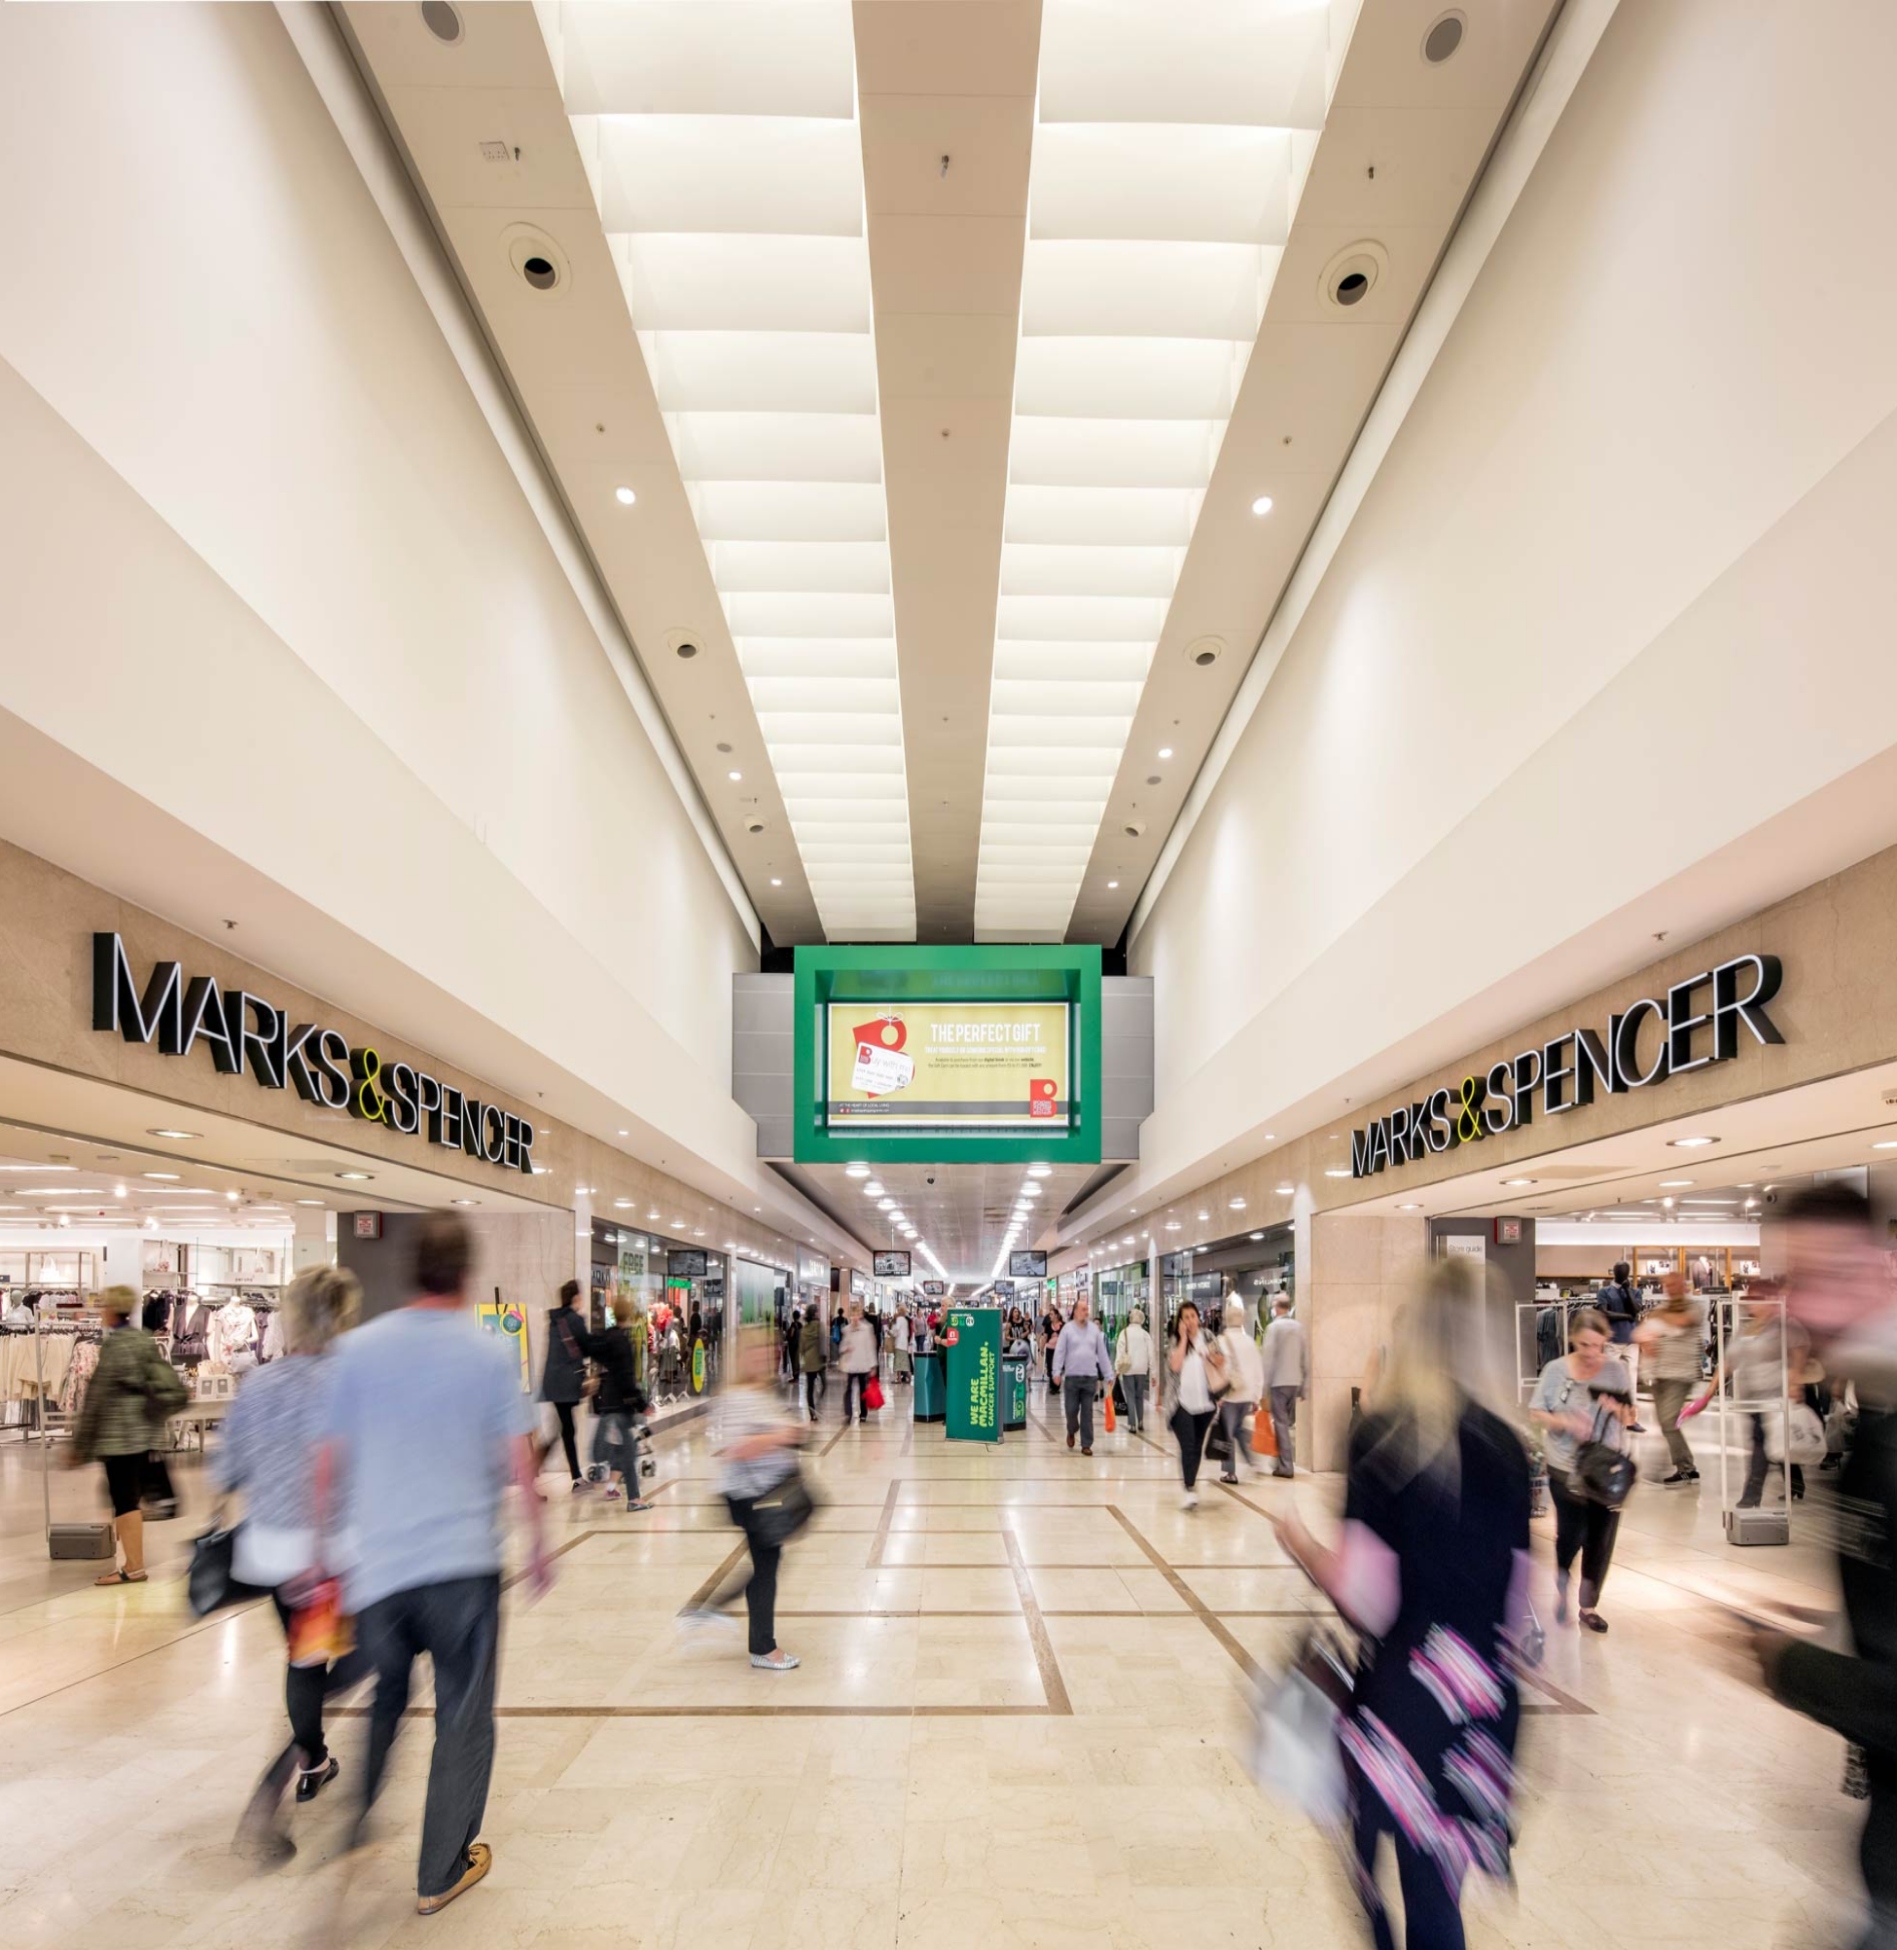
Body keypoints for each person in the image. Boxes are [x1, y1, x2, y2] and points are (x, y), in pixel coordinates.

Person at [1274, 1258, 1531, 1950]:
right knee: (1435, 1879)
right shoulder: (1510, 1447)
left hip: (1407, 1697)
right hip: (1481, 1699)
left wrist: (1300, 1544)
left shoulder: (1381, 1436)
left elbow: (1368, 1600)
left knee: (1383, 1871)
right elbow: (1519, 1602)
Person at [318, 1211, 551, 1918]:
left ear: (409, 1268)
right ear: (467, 1274)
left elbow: (326, 1463)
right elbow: (520, 1463)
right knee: (463, 1717)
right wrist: (538, 1544)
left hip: (380, 1569)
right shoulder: (485, 1352)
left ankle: (358, 1817)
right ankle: (439, 1869)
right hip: (462, 1570)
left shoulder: (356, 1351)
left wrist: (323, 1557)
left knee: (387, 1694)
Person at [1731, 1182, 1897, 1950]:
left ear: (1880, 1269)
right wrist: (1838, 1629)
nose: (1807, 1308)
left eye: (1829, 1275)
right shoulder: (1874, 1427)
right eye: (1796, 1280)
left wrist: (1791, 1665)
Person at [217, 1267, 373, 1835]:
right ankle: (304, 1756)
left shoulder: (258, 1384)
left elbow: (227, 1468)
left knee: (303, 1655)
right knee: (374, 1645)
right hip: (338, 1547)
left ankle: (312, 1757)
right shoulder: (353, 1380)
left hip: (275, 1549)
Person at [684, 1327, 805, 1669]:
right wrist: (784, 1434)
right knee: (766, 1568)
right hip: (752, 1496)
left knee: (767, 1564)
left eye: (769, 1349)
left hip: (763, 1492)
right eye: (759, 1350)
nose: (767, 1355)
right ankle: (760, 1645)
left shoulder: (761, 1390)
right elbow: (736, 1448)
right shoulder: (738, 1396)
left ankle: (715, 1613)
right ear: (744, 1356)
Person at [68, 1284, 187, 1586]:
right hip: (145, 1433)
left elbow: (97, 1398)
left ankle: (133, 1566)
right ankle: (131, 1561)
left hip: (119, 1437)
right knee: (126, 1497)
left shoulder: (116, 1345)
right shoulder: (142, 1339)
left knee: (124, 1500)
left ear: (111, 1309)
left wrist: (80, 1444)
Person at [1529, 1305, 1634, 1634]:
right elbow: (1535, 1412)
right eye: (1585, 1345)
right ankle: (1562, 1587)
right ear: (1573, 1340)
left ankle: (1588, 1605)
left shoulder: (1617, 1371)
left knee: (1601, 1538)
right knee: (1570, 1534)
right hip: (1565, 1466)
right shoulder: (1555, 1370)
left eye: (1598, 1345)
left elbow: (1632, 1418)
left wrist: (1618, 1411)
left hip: (1605, 1467)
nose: (1591, 1353)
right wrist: (1564, 1421)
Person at [1635, 1275, 1703, 1483]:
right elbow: (1642, 1333)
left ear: (1684, 1286)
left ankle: (1686, 1467)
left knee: (1668, 1420)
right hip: (1659, 1373)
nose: (1670, 1289)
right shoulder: (1662, 1308)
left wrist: (1658, 1318)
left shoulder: (1695, 1307)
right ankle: (1686, 1467)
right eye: (1668, 1285)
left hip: (1681, 1375)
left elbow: (1681, 1321)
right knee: (1665, 1422)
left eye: (1675, 1284)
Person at [1162, 1300, 1225, 1510]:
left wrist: (1209, 1354)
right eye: (1185, 1317)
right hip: (1180, 1403)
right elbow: (1174, 1365)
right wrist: (1182, 1339)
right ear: (1180, 1321)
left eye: (1192, 1316)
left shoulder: (1208, 1336)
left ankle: (1191, 1485)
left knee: (1197, 1446)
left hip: (1205, 1402)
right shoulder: (1174, 1341)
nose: (1190, 1321)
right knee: (1187, 1444)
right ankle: (1189, 1488)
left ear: (1198, 1317)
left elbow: (1221, 1361)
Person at [588, 1305, 652, 1508]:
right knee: (628, 1451)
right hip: (619, 1406)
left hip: (609, 1403)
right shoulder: (622, 1341)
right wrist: (641, 1404)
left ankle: (611, 1488)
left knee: (621, 1450)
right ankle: (634, 1499)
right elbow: (626, 1378)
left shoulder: (607, 1337)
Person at [538, 1279, 591, 1492]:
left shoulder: (554, 1320)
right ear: (576, 1297)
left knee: (563, 1429)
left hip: (553, 1383)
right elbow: (587, 1347)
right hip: (565, 1383)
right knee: (565, 1430)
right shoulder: (574, 1320)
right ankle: (532, 1472)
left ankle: (576, 1477)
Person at [1053, 1294, 1114, 1455]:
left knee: (1087, 1413)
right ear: (1075, 1312)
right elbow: (1060, 1351)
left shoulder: (1094, 1331)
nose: (1086, 1312)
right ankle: (1071, 1429)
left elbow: (1102, 1355)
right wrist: (1056, 1371)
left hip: (1090, 1378)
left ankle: (1086, 1444)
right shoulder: (1067, 1330)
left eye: (1087, 1309)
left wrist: (1109, 1375)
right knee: (1071, 1410)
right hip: (1072, 1378)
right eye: (1082, 1309)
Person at [1216, 1291, 1265, 1483]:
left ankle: (1230, 1472)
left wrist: (1217, 1395)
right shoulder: (1250, 1342)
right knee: (1238, 1429)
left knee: (1228, 1433)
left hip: (1229, 1395)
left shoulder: (1221, 1341)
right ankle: (1253, 1460)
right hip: (1246, 1395)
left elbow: (1218, 1370)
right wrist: (1257, 1397)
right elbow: (1258, 1371)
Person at [1261, 1294, 1310, 1478]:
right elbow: (1305, 1357)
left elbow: (1268, 1358)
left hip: (1278, 1383)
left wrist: (1264, 1387)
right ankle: (1280, 1459)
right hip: (1294, 1382)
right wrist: (1305, 1385)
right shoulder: (1299, 1327)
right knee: (1286, 1424)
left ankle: (1286, 1466)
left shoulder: (1274, 1328)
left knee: (1281, 1424)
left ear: (1277, 1307)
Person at [1114, 1305, 1157, 1434]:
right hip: (1142, 1369)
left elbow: (1120, 1351)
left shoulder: (1124, 1333)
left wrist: (1117, 1368)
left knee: (1130, 1396)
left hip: (1128, 1369)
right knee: (1139, 1396)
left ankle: (1132, 1424)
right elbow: (1151, 1354)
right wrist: (1153, 1374)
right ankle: (1141, 1421)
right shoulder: (1145, 1334)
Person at [839, 1304, 877, 1424]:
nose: (855, 1317)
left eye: (857, 1314)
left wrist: (873, 1365)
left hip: (863, 1364)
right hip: (850, 1364)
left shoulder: (867, 1329)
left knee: (862, 1390)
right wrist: (846, 1348)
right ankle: (848, 1413)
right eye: (852, 1315)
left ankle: (863, 1413)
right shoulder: (847, 1330)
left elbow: (870, 1348)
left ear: (860, 1315)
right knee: (848, 1390)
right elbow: (842, 1347)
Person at [797, 1305, 826, 1421]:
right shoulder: (820, 1326)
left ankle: (812, 1412)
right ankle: (818, 1402)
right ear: (815, 1314)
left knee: (810, 1388)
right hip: (819, 1360)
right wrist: (824, 1357)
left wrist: (802, 1359)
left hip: (809, 1361)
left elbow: (801, 1347)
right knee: (824, 1384)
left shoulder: (804, 1329)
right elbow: (823, 1342)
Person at [890, 1305, 913, 1385]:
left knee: (898, 1362)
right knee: (904, 1362)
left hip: (899, 1343)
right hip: (904, 1343)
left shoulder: (899, 1319)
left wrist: (890, 1332)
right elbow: (907, 1333)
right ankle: (909, 1376)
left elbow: (896, 1330)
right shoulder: (905, 1320)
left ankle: (899, 1378)